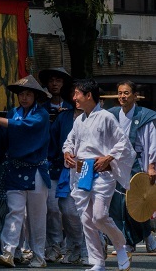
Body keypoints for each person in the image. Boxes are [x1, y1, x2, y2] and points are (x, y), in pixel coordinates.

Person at [63, 78, 136, 271]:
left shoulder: (106, 117)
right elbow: (69, 141)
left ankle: (121, 246)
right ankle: (98, 262)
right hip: (83, 172)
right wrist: (67, 153)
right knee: (87, 219)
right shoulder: (79, 120)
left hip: (101, 172)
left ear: (88, 95)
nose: (74, 98)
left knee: (99, 216)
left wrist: (109, 157)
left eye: (77, 93)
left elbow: (123, 143)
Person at [0, 74, 51, 269]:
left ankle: (39, 256)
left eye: (28, 94)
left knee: (37, 217)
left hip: (36, 171)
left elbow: (22, 127)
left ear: (35, 96)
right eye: (21, 94)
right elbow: (3, 137)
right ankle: (9, 252)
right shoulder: (13, 112)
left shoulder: (42, 115)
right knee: (14, 212)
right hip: (15, 169)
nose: (24, 98)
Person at [108, 80, 156, 254]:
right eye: (120, 93)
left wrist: (151, 166)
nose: (122, 96)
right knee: (118, 204)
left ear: (135, 96)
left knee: (136, 203)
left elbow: (153, 142)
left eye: (126, 93)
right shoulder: (111, 114)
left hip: (136, 164)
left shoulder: (145, 116)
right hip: (115, 165)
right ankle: (126, 241)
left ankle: (146, 236)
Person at [39, 67, 74, 263]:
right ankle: (53, 244)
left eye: (58, 81)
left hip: (69, 166)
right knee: (51, 208)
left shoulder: (72, 109)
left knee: (70, 210)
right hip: (48, 164)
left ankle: (72, 245)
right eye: (51, 81)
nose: (55, 84)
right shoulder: (40, 109)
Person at [48, 91, 87, 265]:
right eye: (75, 94)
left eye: (79, 94)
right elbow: (57, 141)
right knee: (68, 210)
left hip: (91, 170)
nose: (75, 98)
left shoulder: (100, 117)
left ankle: (89, 250)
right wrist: (61, 156)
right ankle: (74, 246)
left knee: (89, 212)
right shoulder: (64, 117)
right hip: (65, 169)